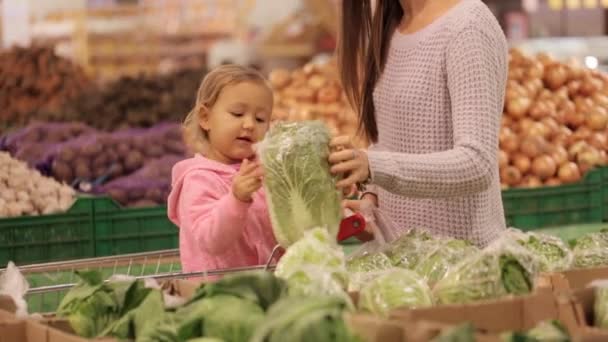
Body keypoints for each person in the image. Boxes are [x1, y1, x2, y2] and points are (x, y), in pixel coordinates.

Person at [329, 0, 508, 246]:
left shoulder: (468, 25)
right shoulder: (389, 27)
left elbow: (477, 163)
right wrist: (371, 199)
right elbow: (391, 144)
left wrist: (373, 166)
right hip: (402, 266)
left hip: (463, 267)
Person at [167, 65, 278, 274]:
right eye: (237, 113)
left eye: (261, 119)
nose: (249, 124)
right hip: (221, 296)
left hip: (269, 288)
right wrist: (236, 199)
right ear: (205, 118)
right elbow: (211, 241)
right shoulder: (198, 180)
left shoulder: (265, 170)